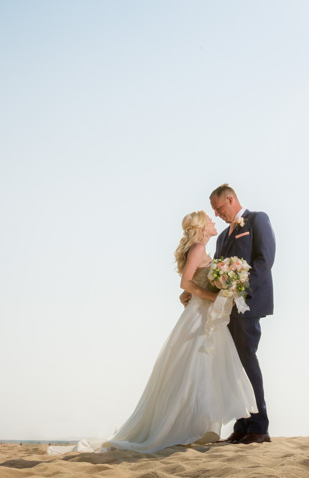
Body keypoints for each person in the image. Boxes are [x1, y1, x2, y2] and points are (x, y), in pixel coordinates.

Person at [48, 210, 256, 455]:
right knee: (192, 370)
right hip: (198, 318)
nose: (213, 221)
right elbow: (186, 283)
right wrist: (213, 297)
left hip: (203, 315)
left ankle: (194, 426)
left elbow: (192, 285)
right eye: (209, 220)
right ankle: (178, 427)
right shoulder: (198, 248)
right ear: (201, 227)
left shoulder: (203, 249)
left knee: (201, 371)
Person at [195, 184, 275, 444]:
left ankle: (259, 427)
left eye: (219, 208)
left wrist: (240, 290)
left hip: (248, 304)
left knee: (247, 360)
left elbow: (265, 259)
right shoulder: (221, 238)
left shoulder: (257, 220)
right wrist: (197, 292)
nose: (217, 214)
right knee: (233, 365)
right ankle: (242, 426)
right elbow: (216, 269)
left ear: (230, 199)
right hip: (225, 309)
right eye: (214, 211)